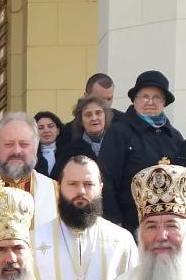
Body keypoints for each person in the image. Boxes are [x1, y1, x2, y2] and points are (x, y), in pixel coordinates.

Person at [54, 96, 139, 233]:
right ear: (81, 120)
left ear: (106, 116)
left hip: (119, 218)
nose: (94, 118)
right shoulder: (69, 151)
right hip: (82, 218)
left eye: (98, 113)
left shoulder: (121, 145)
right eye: (88, 114)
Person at [121, 70, 186, 176]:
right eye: (145, 96)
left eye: (157, 97)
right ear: (135, 100)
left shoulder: (175, 137)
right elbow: (108, 179)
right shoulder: (119, 132)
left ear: (164, 102)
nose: (150, 102)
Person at [34, 110, 66, 178]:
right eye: (40, 128)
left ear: (58, 131)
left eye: (50, 126)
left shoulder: (68, 153)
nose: (46, 130)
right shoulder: (30, 155)